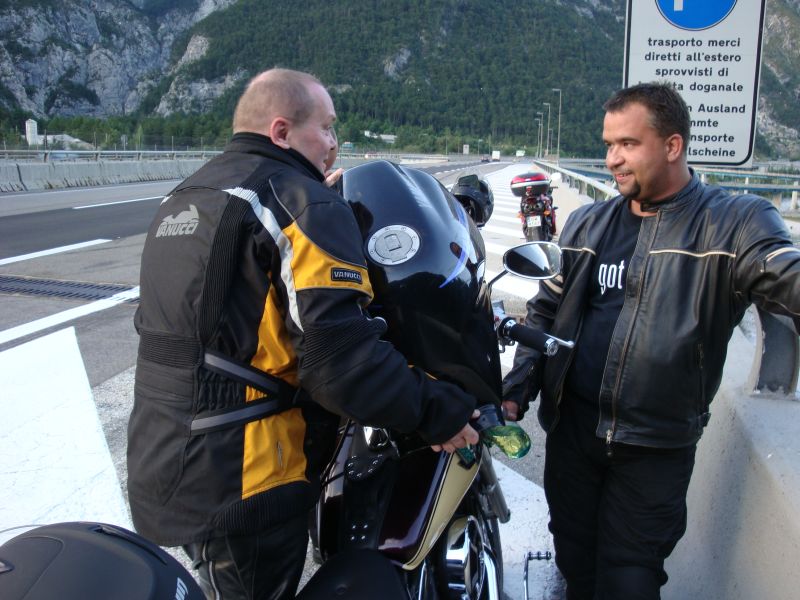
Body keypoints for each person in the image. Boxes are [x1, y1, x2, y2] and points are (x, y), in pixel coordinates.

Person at [127, 67, 479, 600]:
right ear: (282, 132)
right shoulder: (300, 202)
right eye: (327, 128)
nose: (334, 145)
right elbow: (341, 363)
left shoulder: (186, 195)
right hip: (248, 476)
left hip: (166, 456)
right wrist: (438, 410)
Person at [501, 81, 800, 599]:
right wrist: (519, 384)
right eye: (608, 144)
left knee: (630, 580)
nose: (612, 159)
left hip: (655, 446)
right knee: (575, 563)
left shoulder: (733, 222)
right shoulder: (587, 223)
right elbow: (546, 309)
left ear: (672, 145)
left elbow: (783, 272)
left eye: (628, 144)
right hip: (574, 434)